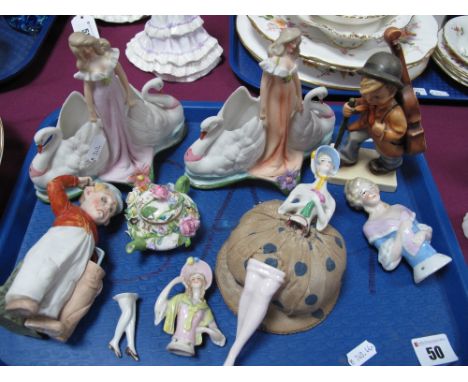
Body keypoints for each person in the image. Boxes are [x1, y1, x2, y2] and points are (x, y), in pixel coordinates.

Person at [4, 175, 123, 319]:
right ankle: (24, 296)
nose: (106, 207)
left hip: (77, 259)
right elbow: (54, 185)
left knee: (66, 282)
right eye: (104, 199)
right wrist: (77, 181)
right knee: (44, 266)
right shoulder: (69, 211)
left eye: (111, 209)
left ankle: (47, 313)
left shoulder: (94, 235)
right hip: (58, 243)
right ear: (89, 193)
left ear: (107, 222)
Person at [68, 32, 154, 183]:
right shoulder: (86, 66)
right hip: (101, 99)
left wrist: (128, 94)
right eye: (83, 50)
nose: (87, 51)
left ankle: (130, 150)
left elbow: (121, 75)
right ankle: (118, 158)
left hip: (116, 93)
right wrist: (91, 111)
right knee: (110, 128)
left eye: (88, 47)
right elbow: (87, 90)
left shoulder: (108, 55)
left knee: (121, 122)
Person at [344, 177, 451, 283]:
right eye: (364, 193)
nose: (371, 193)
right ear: (358, 200)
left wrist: (423, 233)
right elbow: (388, 261)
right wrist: (401, 232)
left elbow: (422, 229)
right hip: (419, 266)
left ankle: (431, 257)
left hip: (435, 255)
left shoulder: (398, 207)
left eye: (371, 187)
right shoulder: (370, 227)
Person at [338, 52, 407, 175]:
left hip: (384, 139)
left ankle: (389, 164)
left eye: (377, 97)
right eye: (365, 94)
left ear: (392, 93)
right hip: (367, 126)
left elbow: (400, 132)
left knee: (387, 153)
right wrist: (348, 108)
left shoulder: (395, 113)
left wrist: (384, 132)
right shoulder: (369, 99)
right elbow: (360, 103)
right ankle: (348, 157)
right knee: (354, 136)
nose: (369, 100)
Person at [249, 27, 304, 179]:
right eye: (291, 42)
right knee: (276, 129)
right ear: (284, 40)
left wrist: (299, 99)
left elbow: (296, 80)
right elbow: (265, 85)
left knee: (285, 128)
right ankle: (270, 160)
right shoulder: (274, 60)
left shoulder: (291, 60)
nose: (293, 46)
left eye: (296, 43)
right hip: (275, 98)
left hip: (288, 97)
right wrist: (263, 108)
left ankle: (280, 157)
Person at [154, 257, 225, 357]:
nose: (195, 280)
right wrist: (172, 283)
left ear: (204, 283)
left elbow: (218, 335)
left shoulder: (204, 309)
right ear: (189, 283)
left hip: (189, 345)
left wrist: (205, 330)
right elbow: (159, 306)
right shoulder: (180, 299)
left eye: (199, 278)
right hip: (175, 341)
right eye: (193, 279)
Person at [278, 145, 340, 234]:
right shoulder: (302, 187)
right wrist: (303, 204)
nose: (327, 163)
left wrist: (318, 204)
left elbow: (321, 225)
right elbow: (282, 209)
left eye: (330, 162)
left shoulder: (330, 200)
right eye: (323, 160)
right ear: (317, 165)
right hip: (291, 221)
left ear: (333, 168)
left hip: (305, 229)